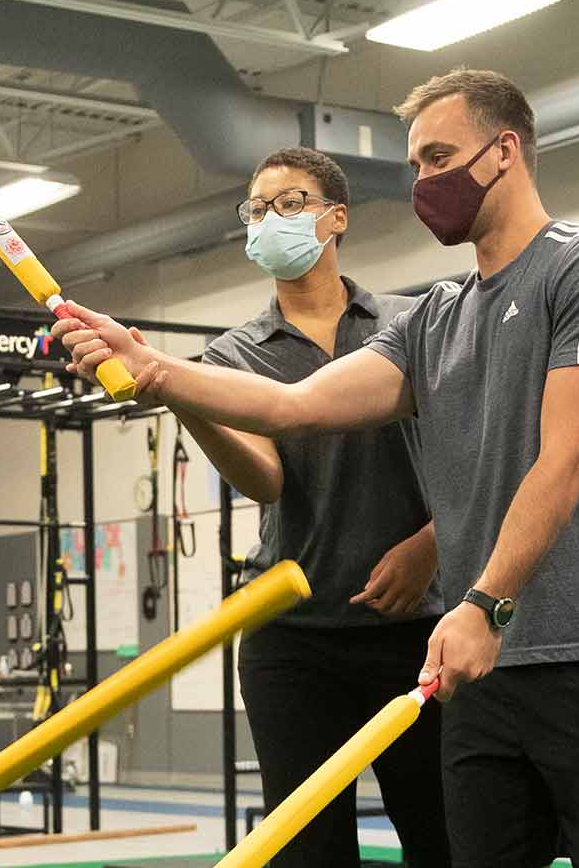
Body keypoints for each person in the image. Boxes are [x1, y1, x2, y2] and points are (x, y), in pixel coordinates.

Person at [55, 70, 579, 868]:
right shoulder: (436, 318)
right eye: (416, 165)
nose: (424, 182)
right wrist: (152, 367)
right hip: (476, 667)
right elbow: (294, 406)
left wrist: (483, 603)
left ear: (505, 151)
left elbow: (569, 457)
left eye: (440, 158)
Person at [180, 146, 448, 868]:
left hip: (414, 629)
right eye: (257, 208)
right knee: (309, 852)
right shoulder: (233, 354)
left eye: (291, 202)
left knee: (446, 838)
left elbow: (479, 453)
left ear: (337, 218)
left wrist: (431, 544)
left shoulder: (413, 323)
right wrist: (185, 397)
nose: (271, 217)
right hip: (293, 640)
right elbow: (265, 481)